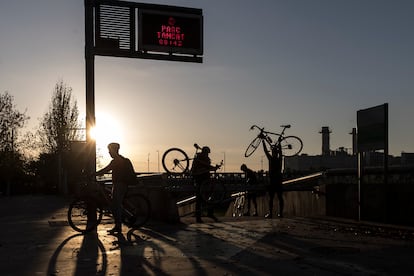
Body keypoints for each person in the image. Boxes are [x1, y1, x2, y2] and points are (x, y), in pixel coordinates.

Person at [96, 142, 136, 234]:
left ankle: (119, 226)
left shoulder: (117, 161)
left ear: (114, 150)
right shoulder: (119, 160)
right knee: (115, 205)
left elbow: (106, 169)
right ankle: (129, 217)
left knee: (116, 206)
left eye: (110, 151)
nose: (109, 153)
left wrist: (94, 174)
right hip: (118, 185)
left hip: (120, 185)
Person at [191, 146, 221, 223]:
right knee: (201, 198)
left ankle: (206, 214)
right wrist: (213, 168)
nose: (208, 155)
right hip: (201, 179)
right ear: (204, 152)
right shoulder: (201, 158)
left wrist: (213, 168)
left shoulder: (199, 157)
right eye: (207, 153)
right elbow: (206, 166)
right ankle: (202, 216)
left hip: (204, 180)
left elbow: (206, 167)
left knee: (206, 197)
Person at [262, 140, 284, 218]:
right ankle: (280, 213)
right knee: (280, 197)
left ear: (273, 152)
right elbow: (280, 152)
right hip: (278, 181)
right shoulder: (280, 159)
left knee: (271, 198)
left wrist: (263, 141)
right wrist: (280, 143)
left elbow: (265, 150)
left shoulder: (271, 159)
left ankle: (270, 213)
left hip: (272, 181)